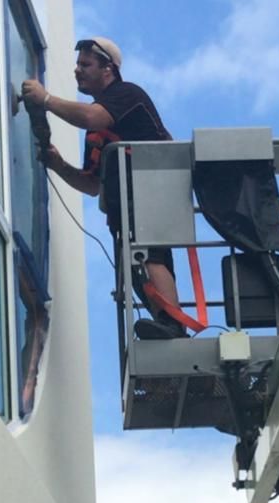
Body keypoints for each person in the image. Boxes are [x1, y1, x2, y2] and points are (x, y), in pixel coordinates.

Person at [21, 37, 187, 340]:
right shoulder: (97, 131)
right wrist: (58, 165)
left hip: (153, 191)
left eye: (85, 64)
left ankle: (173, 324)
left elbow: (90, 117)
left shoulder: (126, 94)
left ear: (108, 69)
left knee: (150, 256)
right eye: (77, 65)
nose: (77, 71)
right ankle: (166, 323)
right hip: (131, 204)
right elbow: (92, 185)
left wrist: (46, 100)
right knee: (138, 267)